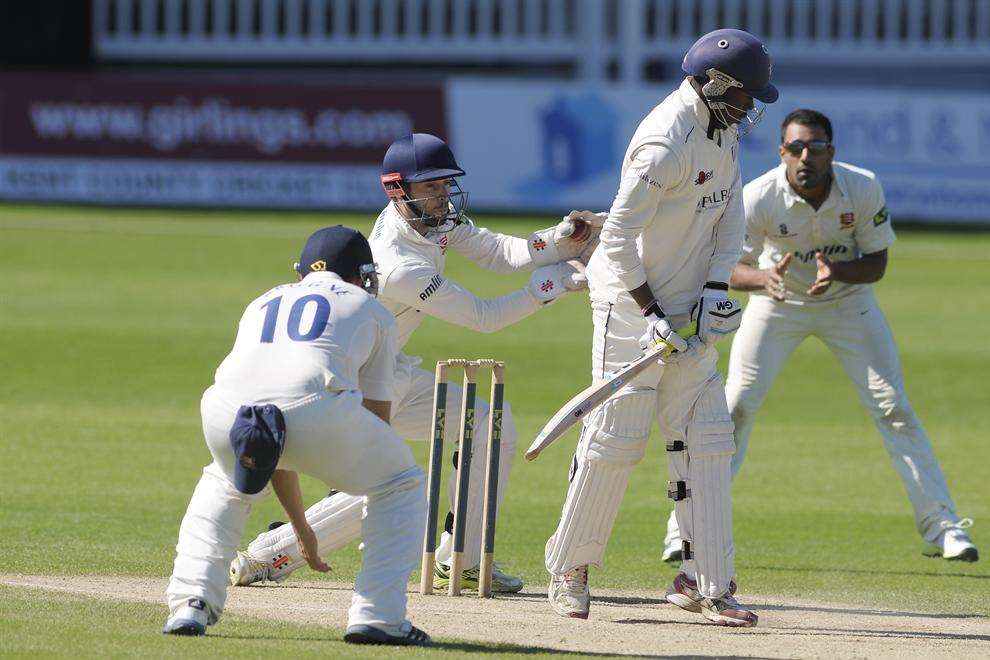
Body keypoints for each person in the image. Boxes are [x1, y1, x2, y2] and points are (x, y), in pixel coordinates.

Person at [229, 133, 598, 593]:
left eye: (446, 184)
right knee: (397, 481)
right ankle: (271, 554)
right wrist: (553, 286)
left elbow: (501, 255)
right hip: (354, 382)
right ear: (398, 190)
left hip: (390, 369)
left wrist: (559, 239)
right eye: (432, 187)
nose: (443, 195)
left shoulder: (431, 218)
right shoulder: (398, 264)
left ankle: (460, 558)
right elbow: (484, 318)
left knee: (488, 425)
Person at [660, 109, 978, 564]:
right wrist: (763, 279)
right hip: (777, 303)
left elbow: (878, 263)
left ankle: (942, 526)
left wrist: (839, 271)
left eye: (816, 147)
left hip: (849, 303)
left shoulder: (862, 186)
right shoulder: (759, 195)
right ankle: (684, 531)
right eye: (795, 148)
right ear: (782, 152)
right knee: (735, 407)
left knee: (893, 408)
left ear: (832, 151)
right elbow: (727, 266)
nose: (805, 157)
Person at [542, 28, 777, 627]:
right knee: (618, 441)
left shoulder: (721, 131)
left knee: (708, 440)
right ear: (717, 84)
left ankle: (707, 583)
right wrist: (651, 314)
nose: (750, 107)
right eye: (746, 95)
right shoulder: (663, 143)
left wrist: (718, 290)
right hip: (628, 306)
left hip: (691, 308)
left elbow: (729, 218)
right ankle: (569, 569)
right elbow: (615, 242)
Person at [163, 225, 433, 645]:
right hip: (316, 406)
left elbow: (270, 435)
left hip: (223, 410)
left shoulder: (262, 300)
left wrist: (303, 527)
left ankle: (190, 602)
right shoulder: (371, 308)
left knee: (224, 482)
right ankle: (378, 615)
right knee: (400, 483)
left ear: (302, 271)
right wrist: (342, 483)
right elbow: (376, 425)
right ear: (362, 274)